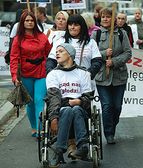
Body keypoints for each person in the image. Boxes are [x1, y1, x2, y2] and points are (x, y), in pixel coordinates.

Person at [46, 43, 92, 167]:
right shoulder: (53, 74)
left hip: (80, 109)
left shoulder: (83, 73)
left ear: (70, 54)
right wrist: (54, 117)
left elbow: (88, 97)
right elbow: (54, 98)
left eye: (61, 51)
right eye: (56, 51)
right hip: (61, 109)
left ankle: (82, 147)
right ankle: (59, 151)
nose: (57, 53)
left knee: (76, 109)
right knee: (67, 110)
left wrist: (80, 101)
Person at [91, 8, 132, 144]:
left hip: (119, 77)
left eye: (108, 17)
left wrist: (114, 61)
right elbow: (91, 53)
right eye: (103, 17)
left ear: (113, 19)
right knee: (107, 106)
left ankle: (112, 125)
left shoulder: (122, 33)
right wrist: (103, 54)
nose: (105, 19)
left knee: (117, 107)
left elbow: (127, 53)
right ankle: (109, 133)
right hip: (102, 77)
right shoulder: (96, 34)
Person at [10, 11, 52, 137]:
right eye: (27, 20)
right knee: (30, 102)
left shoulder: (42, 37)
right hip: (25, 73)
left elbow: (50, 53)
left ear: (35, 22)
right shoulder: (18, 39)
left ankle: (40, 129)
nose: (29, 22)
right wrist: (14, 76)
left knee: (40, 100)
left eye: (32, 20)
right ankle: (34, 127)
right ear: (22, 23)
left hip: (41, 72)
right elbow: (13, 58)